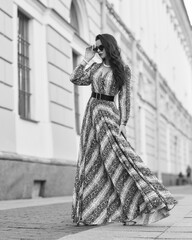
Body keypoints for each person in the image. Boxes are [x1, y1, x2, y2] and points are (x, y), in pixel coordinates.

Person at [70, 33, 177, 226]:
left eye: (100, 47)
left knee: (119, 161)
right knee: (93, 162)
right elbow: (75, 78)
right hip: (92, 114)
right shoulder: (94, 67)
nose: (98, 51)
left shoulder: (123, 70)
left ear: (110, 47)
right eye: (96, 48)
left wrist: (123, 123)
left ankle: (138, 206)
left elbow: (125, 98)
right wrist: (85, 59)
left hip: (110, 116)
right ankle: (93, 212)